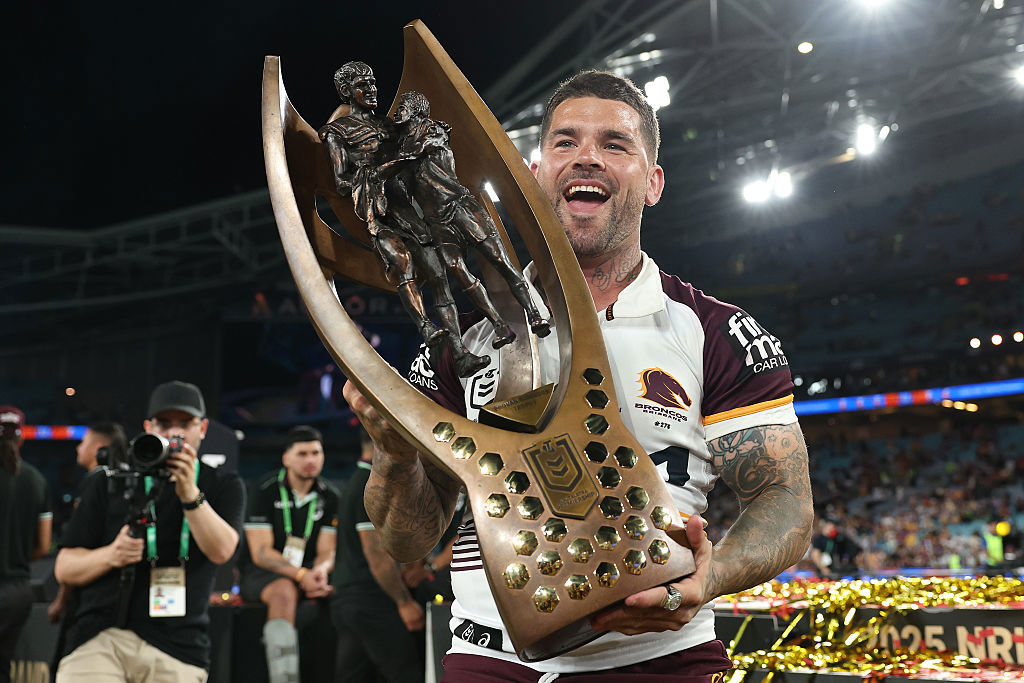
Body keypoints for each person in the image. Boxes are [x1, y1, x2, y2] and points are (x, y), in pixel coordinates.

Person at [344, 71, 814, 680]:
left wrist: (711, 575)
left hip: (659, 658)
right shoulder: (461, 338)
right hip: (488, 660)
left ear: (653, 183)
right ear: (537, 175)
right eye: (564, 143)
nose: (586, 157)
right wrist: (393, 455)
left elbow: (785, 502)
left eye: (615, 144)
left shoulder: (714, 331)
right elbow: (408, 540)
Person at [54, 381, 245, 682]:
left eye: (185, 424)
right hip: (101, 636)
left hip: (178, 645)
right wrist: (111, 556)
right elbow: (65, 568)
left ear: (203, 428)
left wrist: (189, 494)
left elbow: (222, 551)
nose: (174, 433)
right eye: (164, 424)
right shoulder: (110, 480)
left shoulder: (222, 484)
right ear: (148, 427)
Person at [320, 61, 489, 377]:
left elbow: (418, 150)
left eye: (372, 82)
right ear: (346, 92)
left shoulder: (391, 126)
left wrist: (435, 135)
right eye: (362, 85)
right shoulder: (338, 133)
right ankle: (426, 327)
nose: (371, 89)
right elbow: (342, 181)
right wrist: (379, 172)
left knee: (439, 277)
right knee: (402, 263)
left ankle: (461, 354)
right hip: (378, 213)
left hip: (411, 211)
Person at [241, 425, 339, 683]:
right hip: (266, 571)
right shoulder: (264, 489)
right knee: (284, 590)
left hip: (307, 571)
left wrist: (319, 572)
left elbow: (327, 550)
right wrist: (300, 574)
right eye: (302, 454)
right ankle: (284, 678)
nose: (310, 460)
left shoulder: (330, 496)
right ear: (286, 458)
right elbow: (261, 552)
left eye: (316, 453)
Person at [330, 430, 424, 683]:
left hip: (348, 599)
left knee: (352, 676)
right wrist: (404, 602)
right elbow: (376, 555)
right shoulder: (370, 485)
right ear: (382, 442)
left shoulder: (357, 481)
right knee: (407, 674)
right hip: (371, 600)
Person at [0, 405, 52, 683]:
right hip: (17, 591)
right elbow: (44, 546)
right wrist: (16, 557)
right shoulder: (36, 480)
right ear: (21, 438)